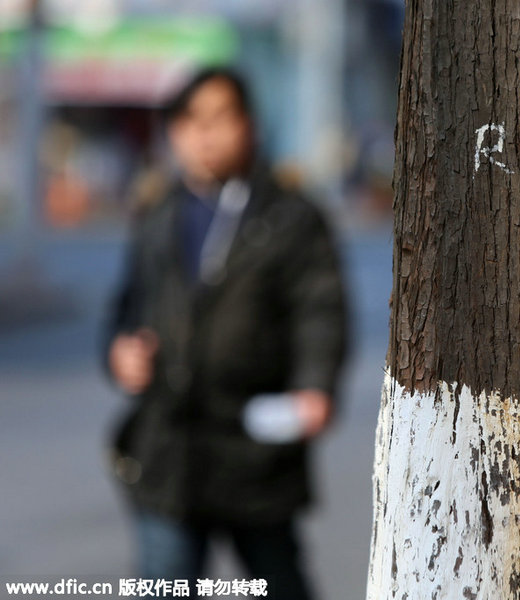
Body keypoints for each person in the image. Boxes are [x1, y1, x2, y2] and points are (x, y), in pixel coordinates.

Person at [103, 67, 347, 600]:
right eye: (189, 121)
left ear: (249, 125)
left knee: (278, 584)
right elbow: (125, 310)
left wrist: (315, 387)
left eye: (219, 118)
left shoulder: (291, 216)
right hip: (169, 450)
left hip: (254, 449)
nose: (204, 134)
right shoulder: (156, 213)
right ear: (172, 134)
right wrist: (120, 354)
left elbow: (321, 310)